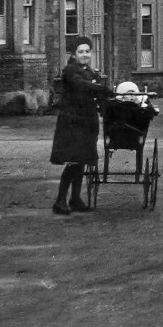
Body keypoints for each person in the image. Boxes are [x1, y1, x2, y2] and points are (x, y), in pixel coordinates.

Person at [50, 37, 111, 215]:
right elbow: (81, 86)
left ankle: (75, 199)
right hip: (73, 122)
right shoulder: (70, 70)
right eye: (81, 52)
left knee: (81, 161)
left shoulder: (89, 71)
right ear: (73, 54)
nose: (85, 55)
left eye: (87, 51)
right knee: (74, 161)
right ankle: (60, 201)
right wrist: (100, 88)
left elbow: (94, 90)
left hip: (86, 122)